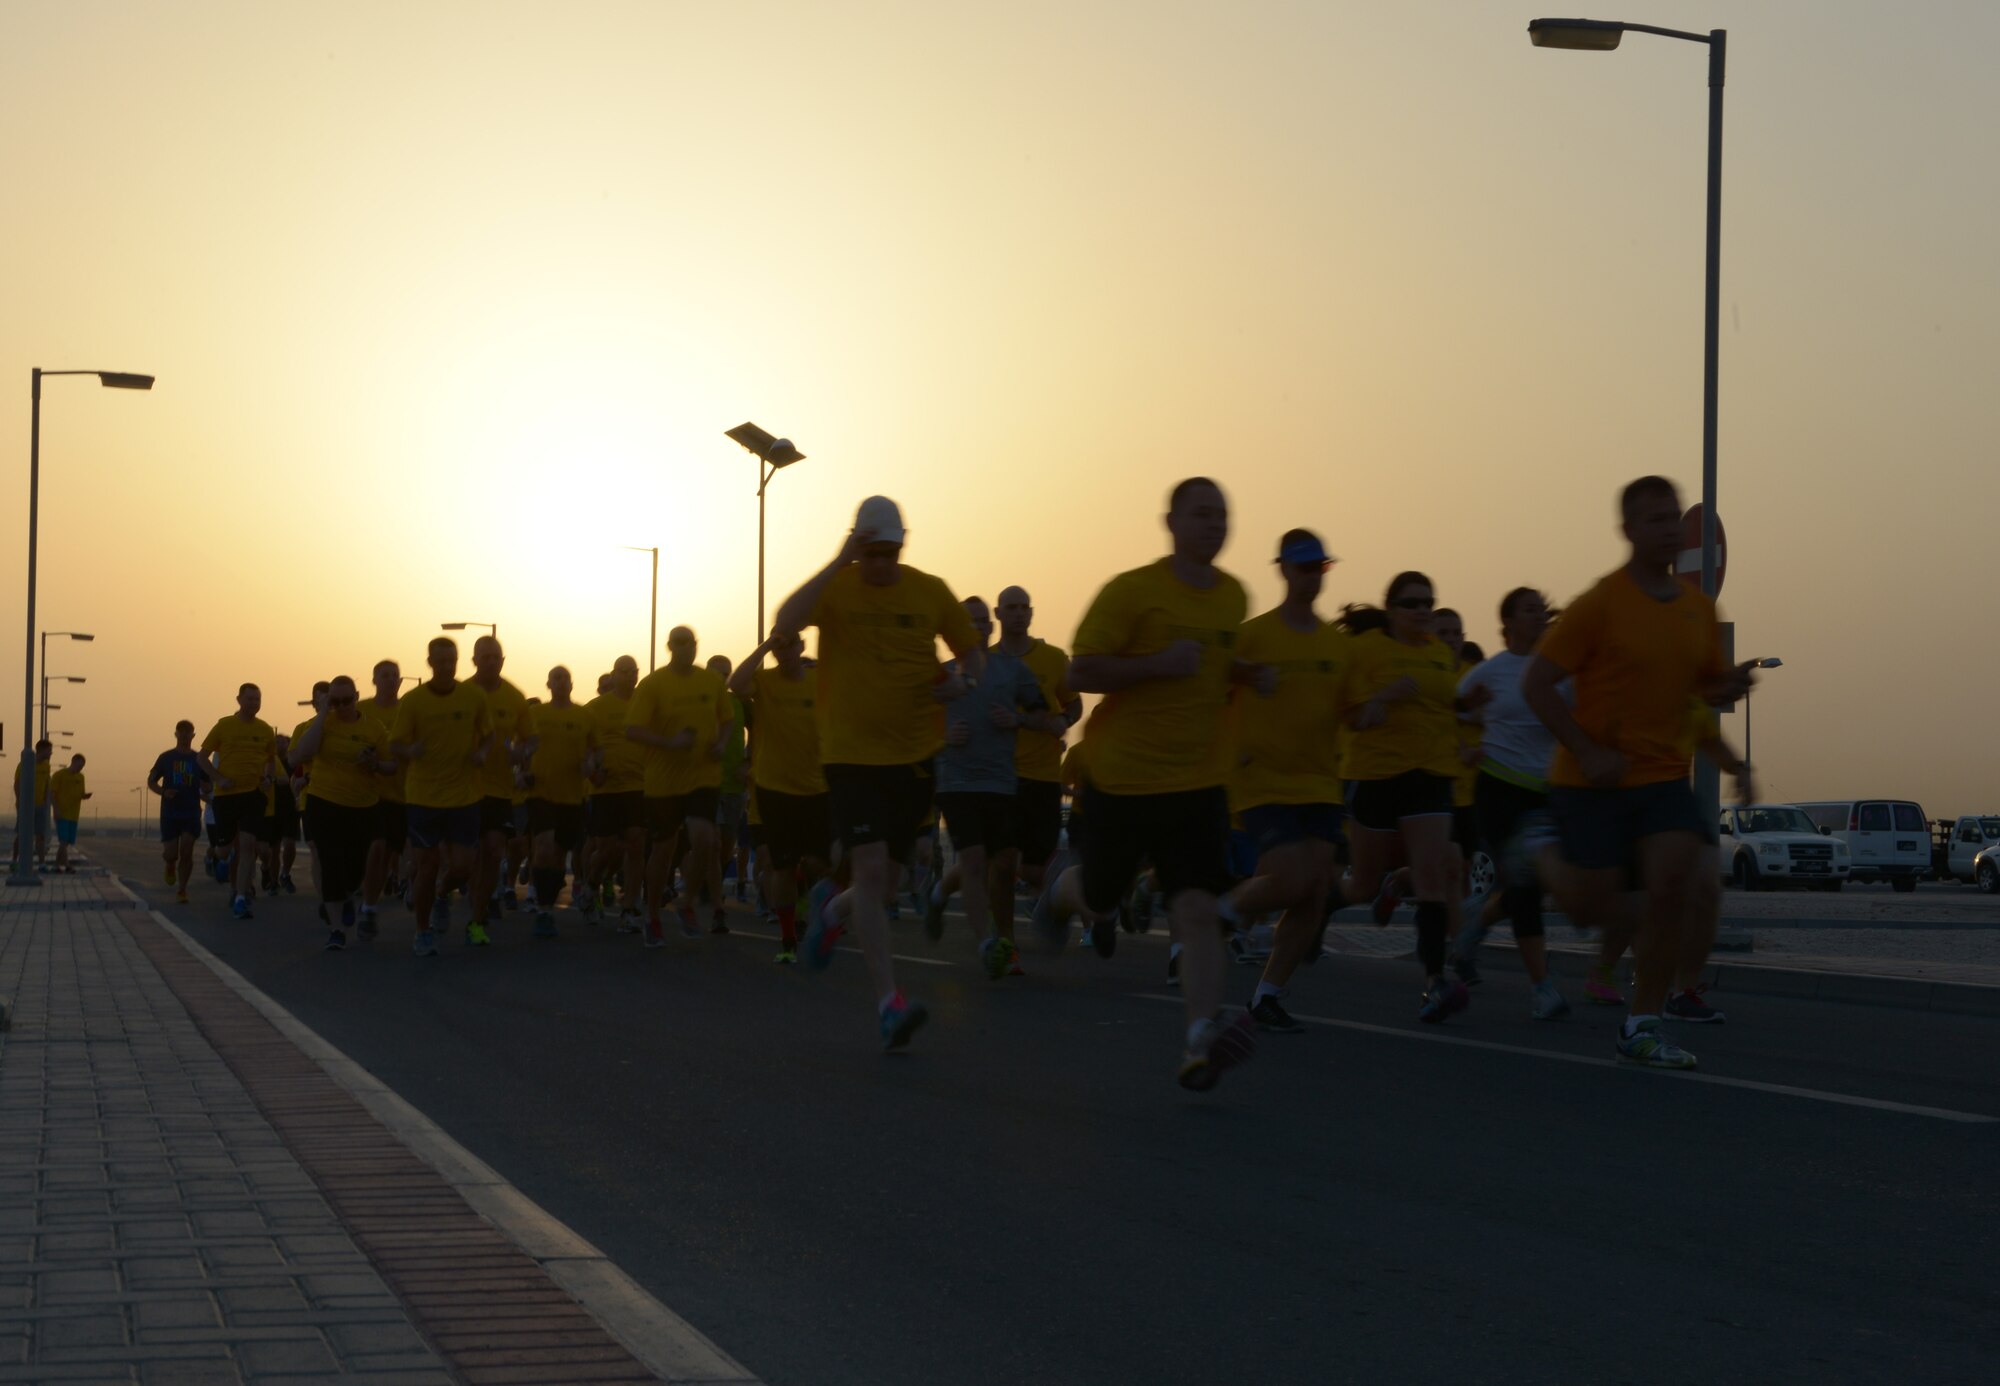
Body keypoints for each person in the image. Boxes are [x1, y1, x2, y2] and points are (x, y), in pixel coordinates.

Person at [1032, 478, 1264, 1089]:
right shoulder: (1132, 591)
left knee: (1195, 907)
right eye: (1202, 513)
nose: (1215, 524)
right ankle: (1060, 891)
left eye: (1223, 515)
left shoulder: (1234, 597)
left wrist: (1251, 673)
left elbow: (1215, 663)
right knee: (1102, 900)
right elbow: (1081, 668)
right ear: (1171, 521)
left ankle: (1199, 1037)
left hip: (1198, 784)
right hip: (1122, 779)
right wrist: (1159, 665)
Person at [1522, 475, 1753, 1070]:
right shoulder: (1599, 604)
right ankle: (1541, 851)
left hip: (1661, 779)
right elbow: (1538, 684)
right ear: (1627, 531)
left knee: (1674, 889)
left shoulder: (1699, 610)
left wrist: (1728, 688)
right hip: (1591, 779)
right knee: (1588, 907)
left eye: (1673, 517)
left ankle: (1641, 1023)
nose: (1670, 528)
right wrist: (1586, 749)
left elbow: (1699, 689)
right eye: (1655, 519)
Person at [778, 495, 982, 1050]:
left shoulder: (930, 591)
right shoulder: (838, 587)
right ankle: (889, 1003)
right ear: (857, 545)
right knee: (870, 873)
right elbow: (784, 624)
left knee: (886, 884)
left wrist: (962, 679)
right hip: (849, 756)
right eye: (871, 552)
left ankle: (831, 912)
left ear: (903, 545)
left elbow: (972, 653)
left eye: (891, 551)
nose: (881, 563)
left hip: (914, 759)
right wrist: (837, 558)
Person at [1218, 529, 1348, 1035]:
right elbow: (1213, 677)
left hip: (1320, 783)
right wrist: (1248, 678)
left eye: (1319, 568)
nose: (1312, 576)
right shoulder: (1253, 634)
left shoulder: (1336, 644)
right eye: (1303, 568)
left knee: (1314, 892)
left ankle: (1267, 994)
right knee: (1291, 878)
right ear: (1284, 571)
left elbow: (1351, 706)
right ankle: (1220, 912)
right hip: (1262, 779)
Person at [1338, 572, 1469, 1023]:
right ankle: (1313, 911)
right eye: (1412, 603)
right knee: (1361, 884)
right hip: (1376, 776)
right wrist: (1386, 697)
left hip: (1430, 776)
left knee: (1432, 877)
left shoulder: (1438, 656)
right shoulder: (1366, 651)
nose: (1421, 611)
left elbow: (1444, 712)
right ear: (1391, 609)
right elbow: (1353, 717)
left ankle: (1435, 981)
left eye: (1428, 603)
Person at [1455, 587, 1570, 1019]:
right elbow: (1455, 712)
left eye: (1542, 609)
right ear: (1506, 624)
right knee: (1523, 887)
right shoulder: (1490, 671)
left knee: (1535, 884)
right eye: (1528, 610)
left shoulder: (1560, 673)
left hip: (1546, 793)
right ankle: (1543, 989)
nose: (1539, 616)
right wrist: (1467, 748)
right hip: (1499, 789)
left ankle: (1475, 925)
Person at [924, 595, 1052, 978]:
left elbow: (1044, 714)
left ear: (990, 626)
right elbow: (911, 728)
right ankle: (990, 945)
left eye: (983, 621)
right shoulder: (942, 676)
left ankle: (945, 898)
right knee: (976, 861)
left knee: (1005, 864)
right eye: (970, 621)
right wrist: (944, 735)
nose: (978, 627)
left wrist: (1016, 720)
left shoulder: (1012, 671)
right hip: (956, 782)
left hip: (1001, 783)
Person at [623, 628, 732, 945]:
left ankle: (686, 902)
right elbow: (632, 729)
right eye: (680, 644)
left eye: (691, 643)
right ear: (670, 647)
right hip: (663, 782)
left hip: (703, 777)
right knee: (664, 849)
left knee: (706, 839)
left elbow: (726, 719)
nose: (687, 649)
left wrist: (723, 743)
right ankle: (653, 915)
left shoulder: (710, 682)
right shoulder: (654, 684)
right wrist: (670, 743)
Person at [728, 631, 830, 963]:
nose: (785, 650)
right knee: (781, 867)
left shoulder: (819, 681)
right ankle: (788, 937)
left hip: (816, 788)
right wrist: (766, 644)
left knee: (822, 863)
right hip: (774, 791)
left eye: (790, 643)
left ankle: (809, 893)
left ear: (802, 647)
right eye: (779, 645)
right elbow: (736, 683)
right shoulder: (764, 681)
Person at [390, 636, 492, 956]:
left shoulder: (473, 696)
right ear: (430, 663)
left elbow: (489, 735)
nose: (447, 666)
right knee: (427, 864)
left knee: (463, 867)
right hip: (424, 796)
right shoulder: (414, 700)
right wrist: (411, 749)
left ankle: (441, 893)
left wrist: (482, 753)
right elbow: (395, 745)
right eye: (441, 661)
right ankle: (423, 930)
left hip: (465, 796)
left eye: (452, 660)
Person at [291, 675, 394, 950]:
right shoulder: (321, 724)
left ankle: (349, 894)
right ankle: (336, 930)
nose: (342, 706)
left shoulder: (374, 727)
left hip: (363, 805)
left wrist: (374, 763)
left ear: (357, 697)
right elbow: (303, 753)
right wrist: (324, 713)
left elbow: (390, 765)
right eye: (335, 701)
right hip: (325, 802)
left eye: (347, 700)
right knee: (330, 862)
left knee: (360, 865)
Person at [522, 666, 596, 939]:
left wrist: (591, 763)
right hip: (540, 793)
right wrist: (521, 772)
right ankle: (542, 911)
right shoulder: (534, 715)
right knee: (543, 847)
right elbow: (520, 748)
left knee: (557, 857)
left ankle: (547, 906)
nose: (562, 682)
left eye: (565, 678)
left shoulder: (584, 716)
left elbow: (595, 751)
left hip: (572, 796)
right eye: (556, 678)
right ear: (548, 684)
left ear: (572, 684)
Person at [467, 635, 531, 948]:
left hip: (499, 791)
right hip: (462, 789)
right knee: (468, 858)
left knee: (492, 852)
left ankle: (477, 919)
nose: (491, 662)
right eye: (485, 657)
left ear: (502, 661)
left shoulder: (515, 697)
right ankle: (450, 894)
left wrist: (522, 751)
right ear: (474, 660)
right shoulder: (462, 694)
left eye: (496, 657)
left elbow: (531, 739)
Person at [201, 684, 277, 919]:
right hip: (226, 797)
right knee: (225, 851)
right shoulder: (224, 725)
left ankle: (241, 898)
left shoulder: (265, 730)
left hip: (253, 796)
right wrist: (218, 779)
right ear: (239, 700)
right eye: (250, 698)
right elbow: (201, 757)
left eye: (258, 699)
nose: (254, 703)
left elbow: (271, 760)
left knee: (247, 847)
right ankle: (213, 855)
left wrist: (268, 779)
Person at [587, 656, 647, 932]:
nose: (628, 676)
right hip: (605, 788)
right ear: (613, 675)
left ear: (637, 674)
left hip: (638, 787)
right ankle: (590, 885)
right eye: (622, 672)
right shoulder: (597, 707)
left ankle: (630, 907)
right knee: (607, 849)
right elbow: (583, 745)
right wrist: (592, 771)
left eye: (632, 671)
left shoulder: (645, 705)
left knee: (636, 844)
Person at [359, 660, 408, 936]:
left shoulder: (408, 711)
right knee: (375, 850)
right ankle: (369, 909)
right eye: (385, 676)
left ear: (400, 682)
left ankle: (406, 888)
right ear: (374, 680)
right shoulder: (362, 711)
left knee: (395, 854)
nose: (390, 680)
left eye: (394, 676)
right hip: (369, 796)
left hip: (405, 794)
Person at [149, 720, 212, 903]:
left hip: (191, 812)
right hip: (170, 812)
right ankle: (169, 865)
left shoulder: (199, 759)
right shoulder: (166, 758)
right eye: (181, 732)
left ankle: (182, 889)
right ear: (175, 734)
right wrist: (163, 792)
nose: (184, 736)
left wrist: (205, 786)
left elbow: (209, 785)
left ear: (193, 735)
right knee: (171, 854)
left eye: (188, 733)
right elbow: (151, 781)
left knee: (187, 851)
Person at [708, 654, 751, 906]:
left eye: (727, 674)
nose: (722, 678)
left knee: (726, 847)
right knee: (711, 842)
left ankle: (711, 880)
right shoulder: (700, 701)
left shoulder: (740, 703)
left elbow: (758, 734)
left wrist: (747, 763)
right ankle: (715, 899)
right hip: (707, 782)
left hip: (735, 784)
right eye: (717, 673)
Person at [11, 739, 54, 869]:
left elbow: (47, 784)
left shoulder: (46, 766)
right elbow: (17, 784)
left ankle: (41, 864)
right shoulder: (25, 764)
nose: (51, 753)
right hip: (26, 805)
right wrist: (20, 801)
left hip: (40, 805)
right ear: (41, 750)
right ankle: (14, 861)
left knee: (40, 835)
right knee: (22, 834)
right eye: (49, 751)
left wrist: (47, 802)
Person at [47, 754, 90, 872]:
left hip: (74, 814)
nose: (80, 768)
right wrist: (56, 809)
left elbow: (80, 793)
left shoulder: (81, 777)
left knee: (67, 842)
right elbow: (52, 794)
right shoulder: (59, 775)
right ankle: (64, 865)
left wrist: (84, 796)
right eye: (79, 765)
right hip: (62, 813)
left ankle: (60, 865)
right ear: (73, 761)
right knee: (63, 840)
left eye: (82, 766)